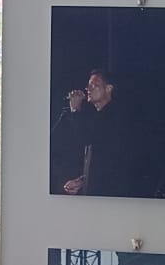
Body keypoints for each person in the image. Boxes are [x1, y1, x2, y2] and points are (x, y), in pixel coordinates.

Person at [52, 68, 127, 197]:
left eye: (94, 85)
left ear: (108, 88)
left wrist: (75, 110)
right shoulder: (97, 116)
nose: (88, 89)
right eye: (88, 86)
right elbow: (99, 162)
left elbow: (86, 138)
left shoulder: (115, 117)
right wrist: (82, 181)